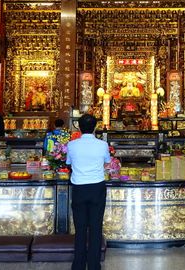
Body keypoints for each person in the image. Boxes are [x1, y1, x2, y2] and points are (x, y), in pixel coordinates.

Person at [66, 114, 111, 270]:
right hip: (97, 188)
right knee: (95, 227)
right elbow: (107, 162)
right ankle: (93, 265)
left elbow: (69, 163)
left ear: (78, 126)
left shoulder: (72, 145)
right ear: (95, 127)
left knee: (80, 228)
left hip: (79, 188)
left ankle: (78, 264)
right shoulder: (102, 145)